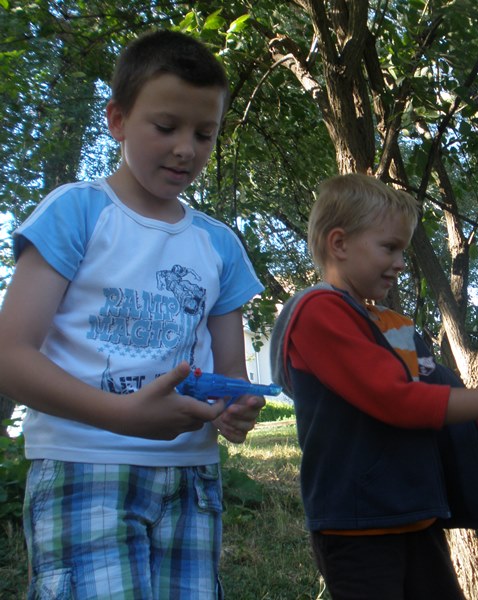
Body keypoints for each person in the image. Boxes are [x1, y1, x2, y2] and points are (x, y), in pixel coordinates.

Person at [0, 30, 266, 598]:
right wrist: (121, 416)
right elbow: (10, 357)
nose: (186, 149)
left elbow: (230, 375)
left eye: (205, 134)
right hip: (84, 464)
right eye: (166, 127)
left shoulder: (220, 245)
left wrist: (235, 408)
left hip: (192, 478)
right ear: (117, 120)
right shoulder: (76, 212)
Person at [268, 173, 478, 599]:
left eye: (403, 251)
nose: (400, 263)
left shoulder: (391, 325)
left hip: (415, 516)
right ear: (339, 243)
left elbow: (443, 409)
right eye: (389, 247)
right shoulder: (319, 312)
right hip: (357, 526)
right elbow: (400, 402)